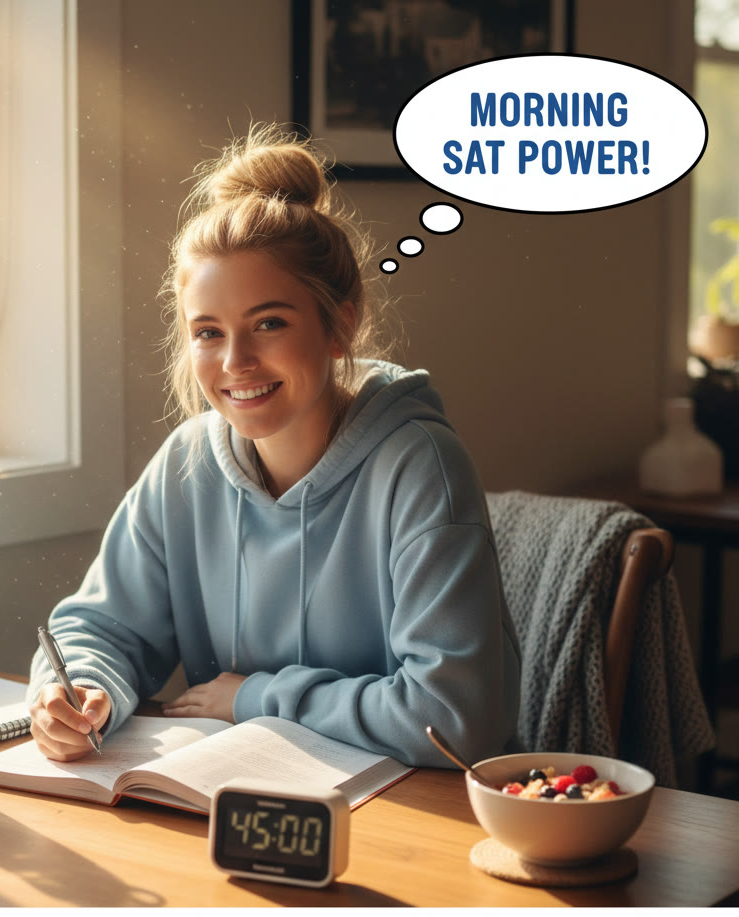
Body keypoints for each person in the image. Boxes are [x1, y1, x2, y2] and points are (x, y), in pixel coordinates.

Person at [28, 125, 520, 767]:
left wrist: (254, 697)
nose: (236, 361)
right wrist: (79, 690)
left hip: (416, 804)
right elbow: (99, 628)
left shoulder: (420, 467)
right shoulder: (186, 462)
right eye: (208, 332)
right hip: (237, 789)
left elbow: (453, 718)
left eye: (268, 323)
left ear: (340, 325)